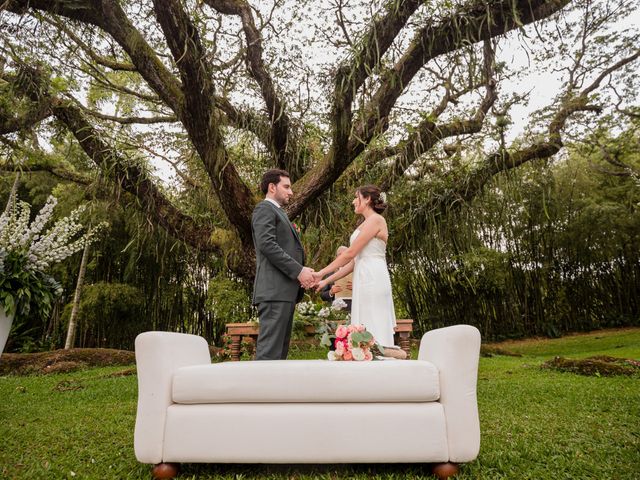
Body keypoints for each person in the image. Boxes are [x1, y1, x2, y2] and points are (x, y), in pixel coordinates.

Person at [315, 185, 396, 347]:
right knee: (363, 321)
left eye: (356, 197)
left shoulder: (377, 220)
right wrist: (325, 281)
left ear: (367, 199)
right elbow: (352, 263)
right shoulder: (365, 223)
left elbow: (349, 253)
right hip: (363, 274)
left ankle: (380, 359)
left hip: (373, 276)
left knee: (374, 319)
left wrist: (320, 272)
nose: (353, 201)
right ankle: (365, 357)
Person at [252, 169, 315, 360]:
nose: (291, 192)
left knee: (279, 355)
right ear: (272, 187)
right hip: (274, 292)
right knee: (269, 354)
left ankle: (273, 390)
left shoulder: (279, 212)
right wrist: (298, 271)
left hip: (284, 292)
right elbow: (267, 245)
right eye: (286, 187)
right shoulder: (264, 209)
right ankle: (258, 390)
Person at [319, 246, 353, 312]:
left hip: (354, 307)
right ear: (336, 257)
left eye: (345, 254)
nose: (343, 256)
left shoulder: (357, 271)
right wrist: (331, 292)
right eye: (340, 254)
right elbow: (322, 296)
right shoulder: (330, 273)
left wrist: (357, 288)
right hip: (336, 310)